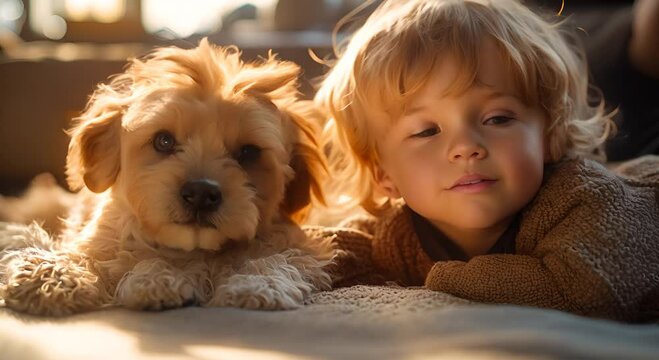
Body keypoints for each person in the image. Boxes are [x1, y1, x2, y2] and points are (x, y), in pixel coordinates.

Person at [312, 0, 659, 322]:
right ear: (383, 173)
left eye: (497, 119)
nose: (465, 146)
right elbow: (336, 251)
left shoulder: (584, 200)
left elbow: (591, 291)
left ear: (551, 136)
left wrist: (443, 278)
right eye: (427, 131)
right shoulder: (399, 234)